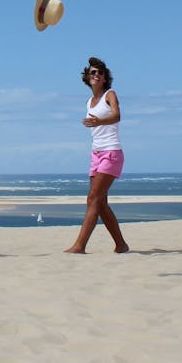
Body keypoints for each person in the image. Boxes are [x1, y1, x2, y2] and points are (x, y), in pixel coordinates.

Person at [65, 56, 130, 254]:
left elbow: (117, 115)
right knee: (98, 202)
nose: (96, 75)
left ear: (105, 78)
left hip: (112, 153)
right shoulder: (89, 102)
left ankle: (79, 246)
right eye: (93, 72)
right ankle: (121, 244)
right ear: (87, 76)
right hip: (96, 153)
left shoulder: (110, 94)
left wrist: (99, 122)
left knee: (93, 198)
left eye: (100, 73)